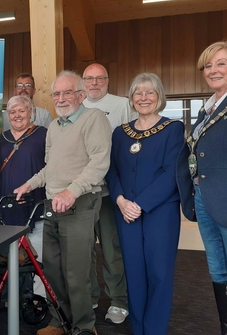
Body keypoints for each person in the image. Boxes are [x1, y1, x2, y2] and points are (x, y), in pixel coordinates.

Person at [14, 70, 112, 334]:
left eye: (67, 92)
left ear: (81, 95)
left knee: (76, 272)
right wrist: (30, 184)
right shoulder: (55, 127)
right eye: (56, 93)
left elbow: (99, 163)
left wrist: (71, 192)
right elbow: (50, 168)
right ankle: (60, 321)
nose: (60, 98)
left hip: (79, 203)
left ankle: (83, 327)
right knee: (54, 271)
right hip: (51, 206)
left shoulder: (94, 119)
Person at [106, 73, 184, 335]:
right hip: (125, 212)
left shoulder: (173, 128)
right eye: (138, 93)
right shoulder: (120, 133)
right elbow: (112, 171)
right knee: (134, 274)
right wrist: (119, 200)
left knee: (159, 274)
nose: (143, 97)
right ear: (131, 98)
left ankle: (155, 330)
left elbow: (171, 172)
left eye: (149, 92)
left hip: (159, 213)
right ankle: (138, 328)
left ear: (159, 96)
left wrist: (138, 204)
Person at [177, 39, 227, 334]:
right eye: (208, 65)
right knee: (218, 269)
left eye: (221, 63)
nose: (213, 70)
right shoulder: (210, 107)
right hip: (204, 197)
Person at [82, 63, 133, 323]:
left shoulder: (122, 104)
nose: (94, 83)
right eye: (89, 79)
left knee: (112, 249)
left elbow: (129, 144)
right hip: (82, 192)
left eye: (99, 78)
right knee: (85, 248)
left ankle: (119, 300)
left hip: (110, 190)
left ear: (108, 81)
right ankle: (90, 296)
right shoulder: (76, 106)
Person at [0, 94, 46, 226]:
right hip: (5, 201)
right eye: (12, 112)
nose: (17, 115)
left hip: (33, 200)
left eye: (21, 111)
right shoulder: (0, 138)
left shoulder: (43, 134)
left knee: (34, 245)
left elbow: (52, 166)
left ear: (30, 112)